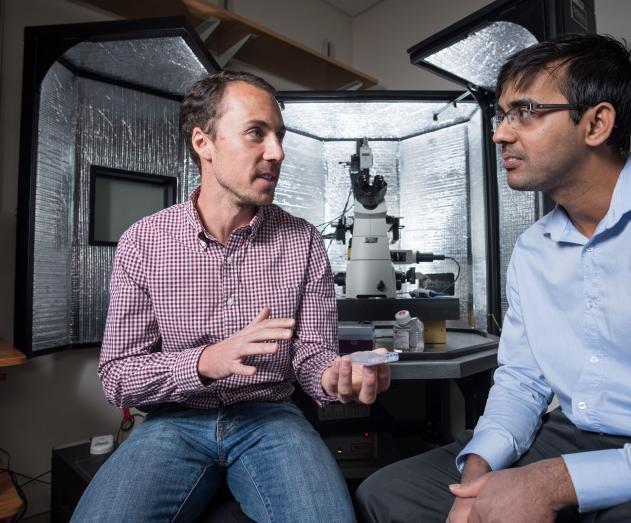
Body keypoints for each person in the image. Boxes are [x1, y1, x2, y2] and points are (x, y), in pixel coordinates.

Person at [356, 33, 631, 523]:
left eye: (525, 112)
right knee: (388, 494)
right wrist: (476, 477)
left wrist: (555, 482)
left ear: (597, 123)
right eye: (501, 115)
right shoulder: (534, 249)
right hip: (566, 435)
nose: (500, 133)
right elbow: (520, 382)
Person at [72, 70, 391, 523]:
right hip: (173, 423)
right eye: (255, 134)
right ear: (204, 142)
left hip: (272, 420)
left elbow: (313, 355)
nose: (276, 152)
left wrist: (336, 377)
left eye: (279, 136)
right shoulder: (144, 242)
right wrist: (205, 361)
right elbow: (119, 377)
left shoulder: (302, 241)